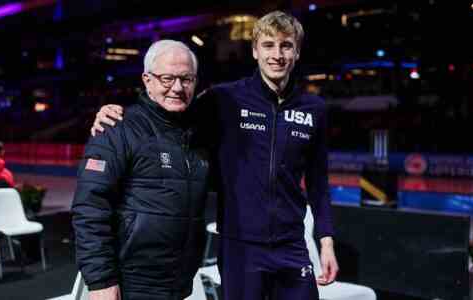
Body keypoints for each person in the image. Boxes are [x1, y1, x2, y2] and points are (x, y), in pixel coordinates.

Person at [92, 11, 338, 299]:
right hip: (240, 246)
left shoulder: (314, 109)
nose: (277, 54)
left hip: (292, 243)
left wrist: (326, 240)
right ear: (255, 50)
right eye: (269, 45)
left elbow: (318, 182)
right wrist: (118, 111)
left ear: (296, 52)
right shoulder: (225, 98)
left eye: (286, 45)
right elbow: (170, 110)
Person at [72, 40, 210, 300]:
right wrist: (101, 281)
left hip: (179, 283)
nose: (177, 88)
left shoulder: (198, 136)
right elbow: (90, 209)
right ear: (147, 80)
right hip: (131, 284)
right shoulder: (116, 129)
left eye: (186, 79)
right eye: (167, 78)